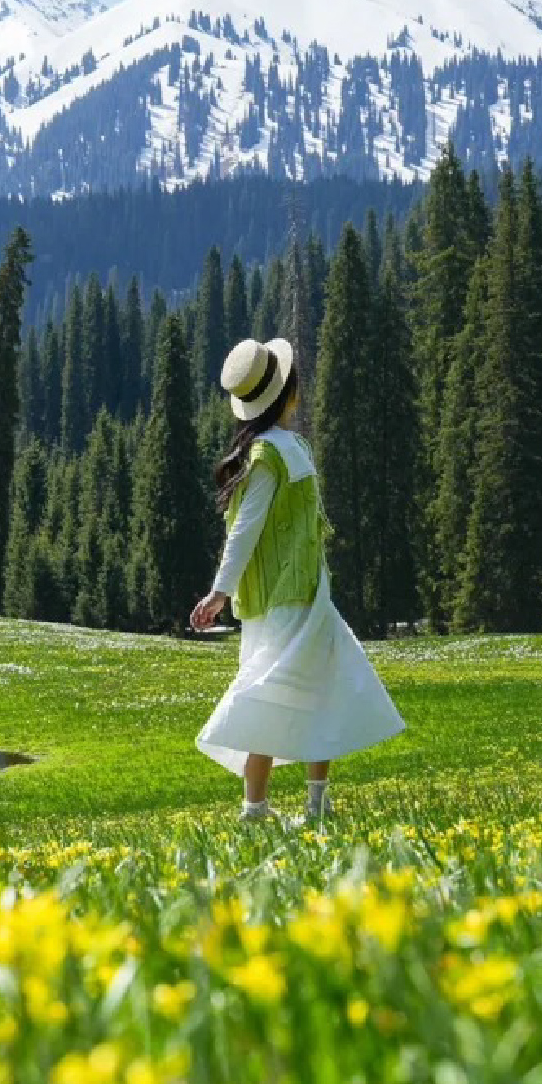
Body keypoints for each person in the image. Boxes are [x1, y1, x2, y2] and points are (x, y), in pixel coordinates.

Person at [189, 335, 405, 822]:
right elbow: (244, 530)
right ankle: (257, 807)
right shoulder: (268, 457)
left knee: (317, 687)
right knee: (274, 693)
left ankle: (312, 802)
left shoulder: (290, 447)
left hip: (309, 591)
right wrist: (221, 591)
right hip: (283, 598)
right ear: (289, 393)